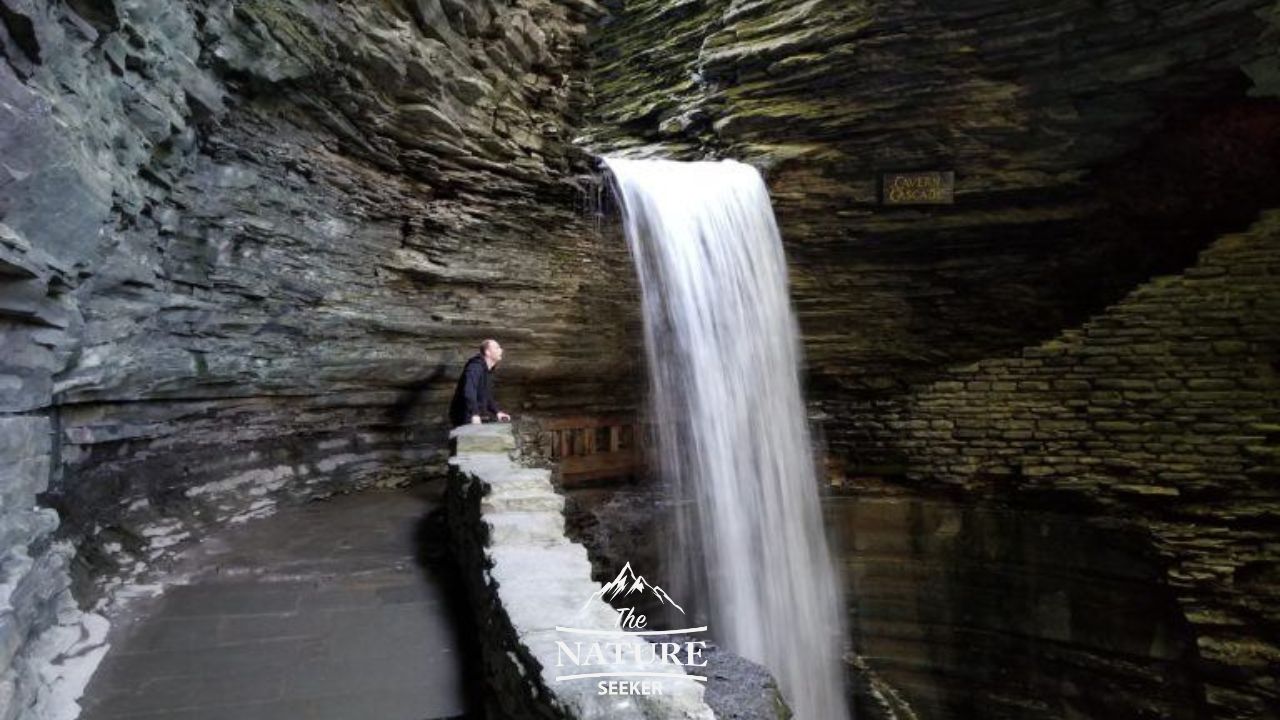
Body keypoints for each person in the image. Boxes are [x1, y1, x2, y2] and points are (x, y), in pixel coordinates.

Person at [448, 339, 511, 427]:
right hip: (464, 415)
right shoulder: (475, 367)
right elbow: (469, 391)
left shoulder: (487, 371)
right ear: (488, 352)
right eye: (497, 348)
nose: (501, 350)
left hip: (475, 415)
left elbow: (486, 395)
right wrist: (475, 414)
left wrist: (497, 412)